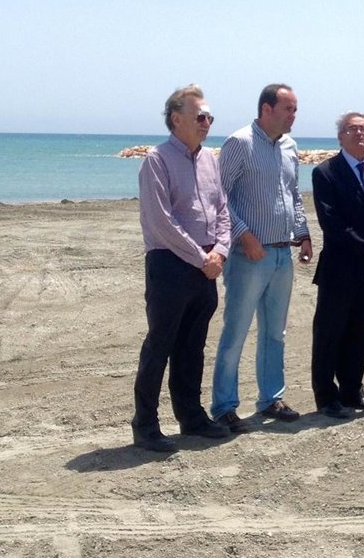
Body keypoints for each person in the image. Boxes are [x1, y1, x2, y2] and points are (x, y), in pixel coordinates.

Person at [131, 84, 232, 453]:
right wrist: (202, 258)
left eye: (209, 117)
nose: (206, 123)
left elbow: (223, 211)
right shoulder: (156, 160)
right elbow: (162, 221)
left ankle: (191, 416)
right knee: (160, 345)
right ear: (176, 119)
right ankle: (145, 425)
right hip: (171, 264)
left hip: (206, 265)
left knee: (193, 346)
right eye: (200, 116)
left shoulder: (210, 161)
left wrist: (220, 251)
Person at [211, 83, 312, 429]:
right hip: (248, 255)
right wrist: (243, 234)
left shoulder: (290, 146)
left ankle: (271, 398)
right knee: (236, 332)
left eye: (295, 109)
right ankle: (224, 406)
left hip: (283, 254)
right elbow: (219, 197)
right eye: (288, 109)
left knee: (274, 333)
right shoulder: (239, 143)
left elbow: (293, 194)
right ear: (267, 109)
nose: (293, 115)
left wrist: (303, 233)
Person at [310, 112, 364, 418]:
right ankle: (326, 397)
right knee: (330, 332)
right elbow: (331, 222)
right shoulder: (325, 172)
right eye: (352, 129)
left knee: (360, 331)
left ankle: (352, 390)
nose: (359, 133)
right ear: (340, 136)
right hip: (340, 266)